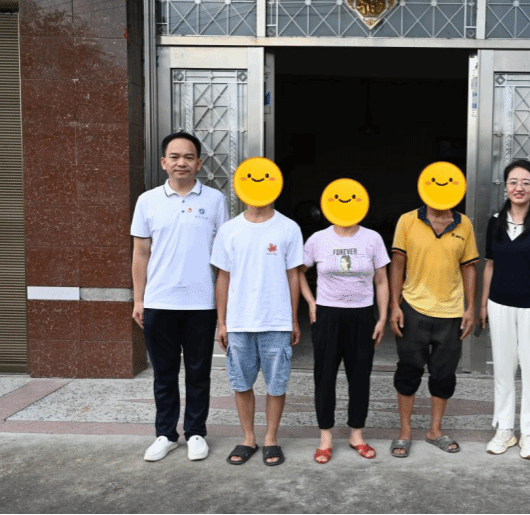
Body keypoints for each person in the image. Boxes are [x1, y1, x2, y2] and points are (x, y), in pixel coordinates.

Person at [131, 131, 229, 462]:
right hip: (159, 302)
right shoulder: (147, 201)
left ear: (199, 163)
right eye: (174, 157)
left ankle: (196, 432)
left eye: (189, 157)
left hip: (201, 303)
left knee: (199, 373)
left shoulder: (215, 200)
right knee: (164, 374)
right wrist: (139, 299)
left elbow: (224, 258)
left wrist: (224, 311)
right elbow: (140, 253)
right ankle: (166, 434)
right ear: (164, 162)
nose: (181, 162)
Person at [211, 160, 303, 467]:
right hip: (239, 321)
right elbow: (223, 277)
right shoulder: (229, 230)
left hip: (276, 320)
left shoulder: (289, 228)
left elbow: (293, 275)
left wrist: (293, 319)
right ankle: (248, 437)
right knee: (241, 382)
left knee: (277, 384)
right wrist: (221, 322)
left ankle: (271, 439)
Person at [389, 163, 479, 457]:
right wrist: (394, 305)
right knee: (408, 372)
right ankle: (405, 432)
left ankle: (434, 430)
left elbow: (469, 267)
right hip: (413, 308)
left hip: (451, 313)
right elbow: (397, 264)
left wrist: (470, 308)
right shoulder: (407, 221)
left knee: (444, 375)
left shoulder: (464, 224)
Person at [479, 160, 530, 460]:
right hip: (499, 305)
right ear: (506, 186)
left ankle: (528, 433)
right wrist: (484, 304)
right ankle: (504, 429)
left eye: (526, 182)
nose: (519, 188)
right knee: (503, 371)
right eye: (513, 182)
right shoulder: (495, 222)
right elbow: (490, 265)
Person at [299, 210, 390, 464]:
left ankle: (356, 435)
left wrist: (382, 317)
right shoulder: (318, 239)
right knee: (325, 376)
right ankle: (325, 438)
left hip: (362, 315)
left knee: (360, 376)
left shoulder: (372, 238)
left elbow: (382, 281)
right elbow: (298, 271)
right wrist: (311, 302)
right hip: (327, 315)